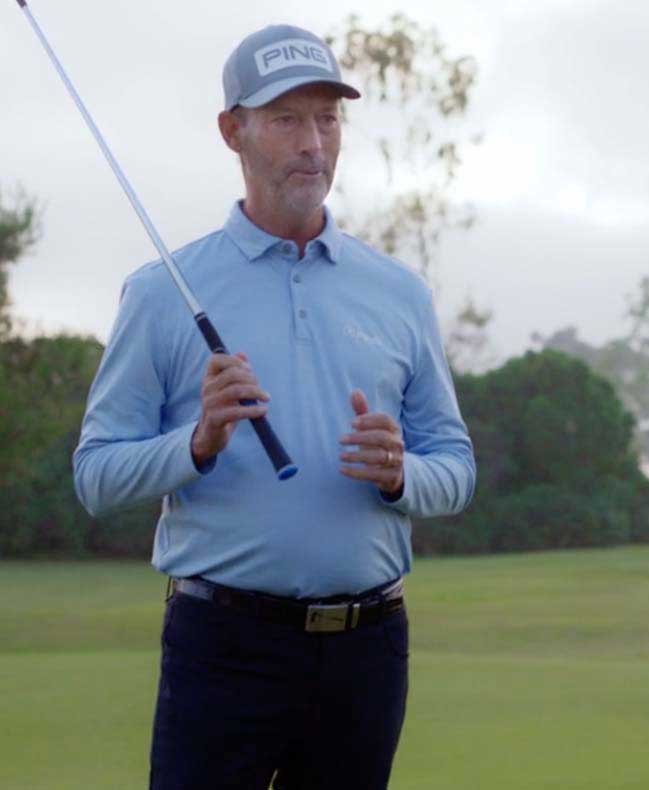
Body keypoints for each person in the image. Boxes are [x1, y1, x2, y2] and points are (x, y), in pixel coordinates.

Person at [73, 23, 475, 790]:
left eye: (327, 119)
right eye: (287, 119)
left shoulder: (398, 293)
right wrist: (195, 442)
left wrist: (401, 476)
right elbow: (96, 475)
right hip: (223, 645)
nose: (313, 144)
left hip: (367, 649)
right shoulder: (163, 291)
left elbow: (455, 467)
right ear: (234, 131)